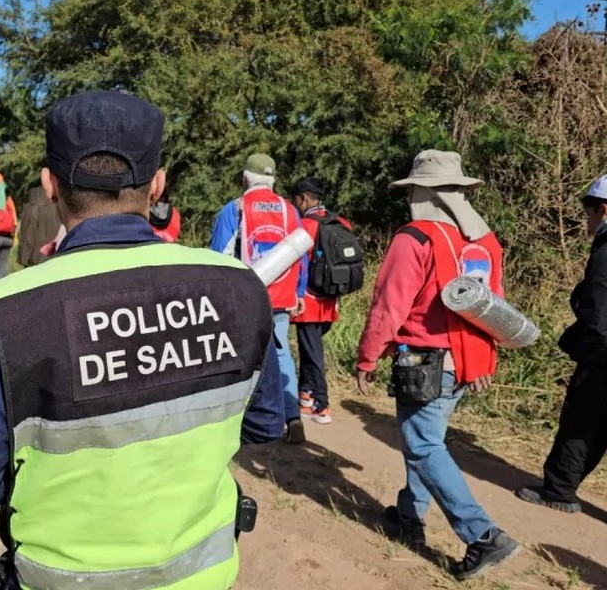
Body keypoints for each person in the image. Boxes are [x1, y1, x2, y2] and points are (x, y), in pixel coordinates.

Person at [0, 91, 285, 590]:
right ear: (157, 185)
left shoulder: (12, 310)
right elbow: (265, 423)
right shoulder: (239, 287)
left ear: (50, 186)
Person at [356, 150, 520, 580]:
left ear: (422, 192)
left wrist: (368, 356)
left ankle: (483, 536)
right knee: (428, 441)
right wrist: (484, 359)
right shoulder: (487, 241)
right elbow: (492, 307)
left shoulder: (416, 238)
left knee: (423, 446)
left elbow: (389, 305)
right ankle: (409, 516)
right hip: (466, 362)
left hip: (426, 362)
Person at [516, 176, 607, 513]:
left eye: (588, 211)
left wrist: (587, 347)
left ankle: (558, 490)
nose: (587, 219)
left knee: (581, 421)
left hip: (602, 355)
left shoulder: (606, 246)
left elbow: (598, 308)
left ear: (603, 208)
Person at [209, 153, 309, 444]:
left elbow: (219, 254)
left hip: (245, 298)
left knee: (236, 354)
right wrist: (299, 292)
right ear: (273, 180)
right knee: (281, 353)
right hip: (281, 297)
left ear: (245, 178)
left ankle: (237, 417)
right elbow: (300, 254)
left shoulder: (236, 209)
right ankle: (291, 416)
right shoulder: (290, 210)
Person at [289, 178, 352, 424]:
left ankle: (321, 405)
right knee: (309, 350)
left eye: (296, 199)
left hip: (309, 303)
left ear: (304, 198)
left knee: (313, 353)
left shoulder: (304, 226)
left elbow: (297, 262)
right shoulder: (340, 222)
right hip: (331, 300)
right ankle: (306, 397)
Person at [17, 185, 63, 268]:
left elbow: (28, 236)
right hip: (56, 255)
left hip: (35, 258)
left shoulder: (32, 209)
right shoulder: (60, 207)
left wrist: (23, 259)